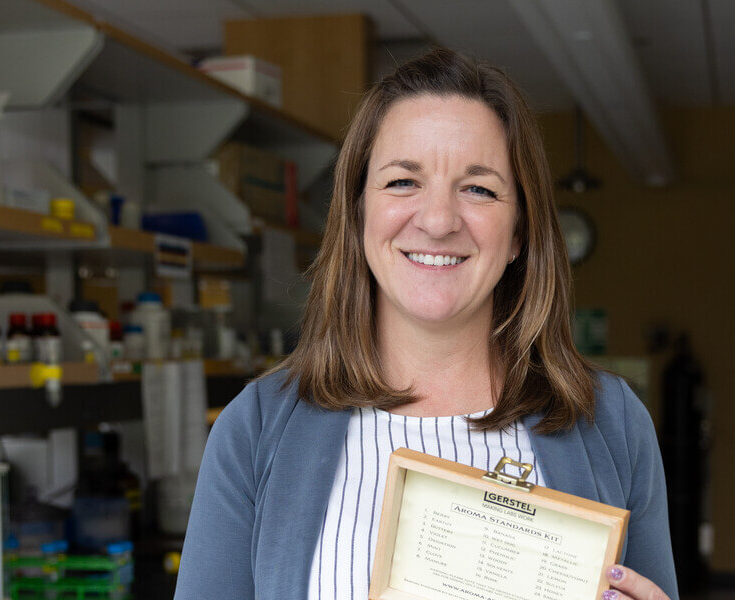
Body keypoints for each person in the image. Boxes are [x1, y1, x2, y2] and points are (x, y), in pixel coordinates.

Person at [174, 47, 677, 600]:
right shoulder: (255, 430)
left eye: (479, 188)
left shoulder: (611, 424)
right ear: (358, 211)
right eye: (402, 182)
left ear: (519, 233)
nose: (438, 221)